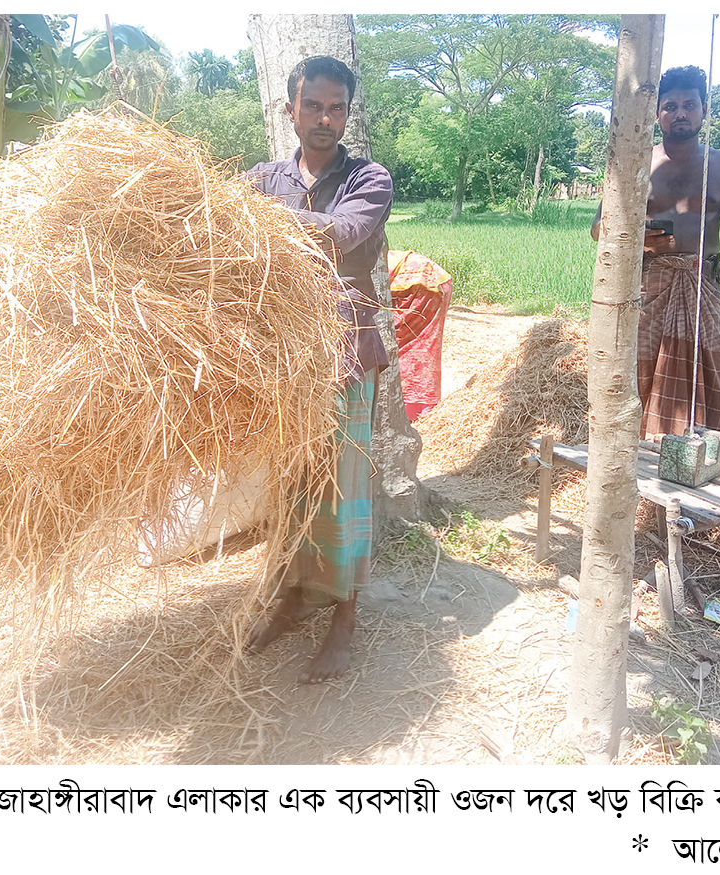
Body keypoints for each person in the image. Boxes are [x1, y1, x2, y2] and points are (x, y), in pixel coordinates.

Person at [245, 55, 393, 683]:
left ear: (348, 113)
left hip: (342, 356)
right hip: (281, 363)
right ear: (291, 110)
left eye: (337, 107)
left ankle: (344, 619)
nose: (325, 119)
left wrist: (259, 222)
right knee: (289, 491)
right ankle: (290, 598)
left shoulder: (370, 178)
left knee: (343, 494)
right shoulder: (263, 177)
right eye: (313, 106)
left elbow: (342, 234)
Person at [591, 65, 720, 438]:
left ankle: (699, 460)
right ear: (657, 113)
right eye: (671, 105)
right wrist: (641, 242)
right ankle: (638, 458)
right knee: (640, 370)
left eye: (689, 105)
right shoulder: (635, 163)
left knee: (710, 368)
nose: (681, 113)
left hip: (702, 290)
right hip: (647, 289)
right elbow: (600, 229)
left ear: (704, 109)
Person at [387, 249, 454, 422]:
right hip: (432, 281)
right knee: (424, 345)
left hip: (415, 288)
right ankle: (421, 410)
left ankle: (410, 410)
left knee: (399, 346)